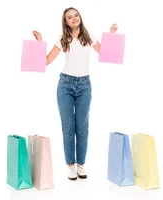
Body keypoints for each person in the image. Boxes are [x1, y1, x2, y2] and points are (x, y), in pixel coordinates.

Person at [32, 7, 117, 181]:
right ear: (65, 21)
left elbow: (105, 53)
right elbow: (46, 61)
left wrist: (112, 35)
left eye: (76, 15)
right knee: (68, 127)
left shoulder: (88, 37)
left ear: (80, 17)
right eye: (69, 17)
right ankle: (70, 165)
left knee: (82, 127)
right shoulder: (63, 39)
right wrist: (39, 43)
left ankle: (81, 164)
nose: (73, 18)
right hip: (65, 85)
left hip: (85, 85)